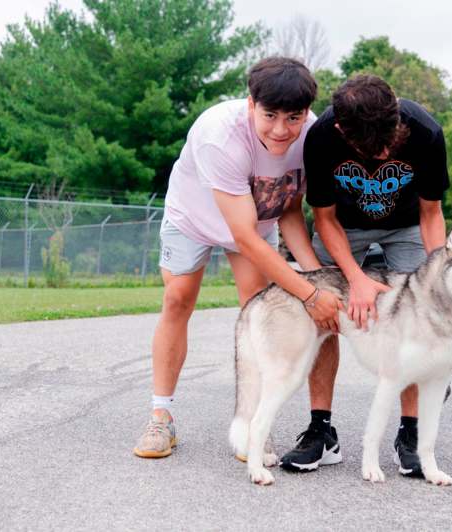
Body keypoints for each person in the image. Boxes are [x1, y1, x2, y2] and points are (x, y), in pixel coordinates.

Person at [134, 57, 342, 459]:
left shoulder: (312, 135)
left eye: (293, 118)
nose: (281, 130)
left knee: (257, 314)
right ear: (251, 103)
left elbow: (289, 209)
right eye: (269, 116)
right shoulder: (220, 136)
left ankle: (252, 426)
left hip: (258, 220)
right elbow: (243, 237)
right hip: (193, 218)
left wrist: (318, 278)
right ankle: (161, 416)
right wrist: (311, 296)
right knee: (178, 300)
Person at [279, 75, 450, 478]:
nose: (387, 151)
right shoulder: (321, 136)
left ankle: (410, 433)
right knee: (322, 311)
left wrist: (437, 276)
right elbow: (324, 218)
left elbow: (431, 213)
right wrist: (355, 278)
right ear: (342, 129)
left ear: (395, 114)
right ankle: (321, 431)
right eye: (374, 148)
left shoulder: (425, 130)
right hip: (344, 228)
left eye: (392, 140)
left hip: (407, 226)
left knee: (414, 320)